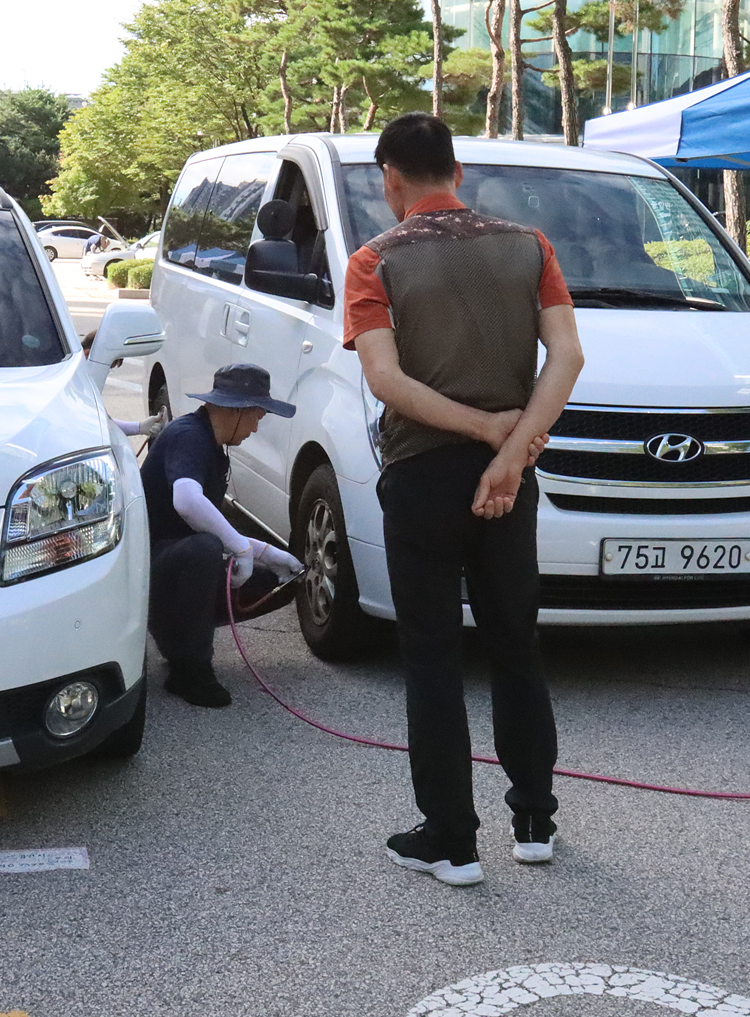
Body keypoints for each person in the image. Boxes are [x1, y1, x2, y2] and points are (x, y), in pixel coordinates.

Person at [344, 112, 584, 887]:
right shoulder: (529, 246)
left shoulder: (373, 261)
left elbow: (387, 382)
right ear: (457, 170)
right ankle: (536, 817)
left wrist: (481, 427)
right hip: (508, 479)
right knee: (516, 642)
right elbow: (568, 356)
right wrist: (510, 454)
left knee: (433, 657)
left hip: (421, 475)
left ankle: (450, 839)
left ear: (391, 178)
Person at [139, 362, 303, 707]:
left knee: (277, 581)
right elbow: (186, 501)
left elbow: (204, 520)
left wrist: (268, 555)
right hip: (146, 572)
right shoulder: (189, 435)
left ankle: (178, 635)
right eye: (257, 416)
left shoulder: (211, 444)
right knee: (205, 549)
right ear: (238, 411)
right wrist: (241, 548)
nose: (256, 428)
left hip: (170, 564)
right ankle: (190, 669)